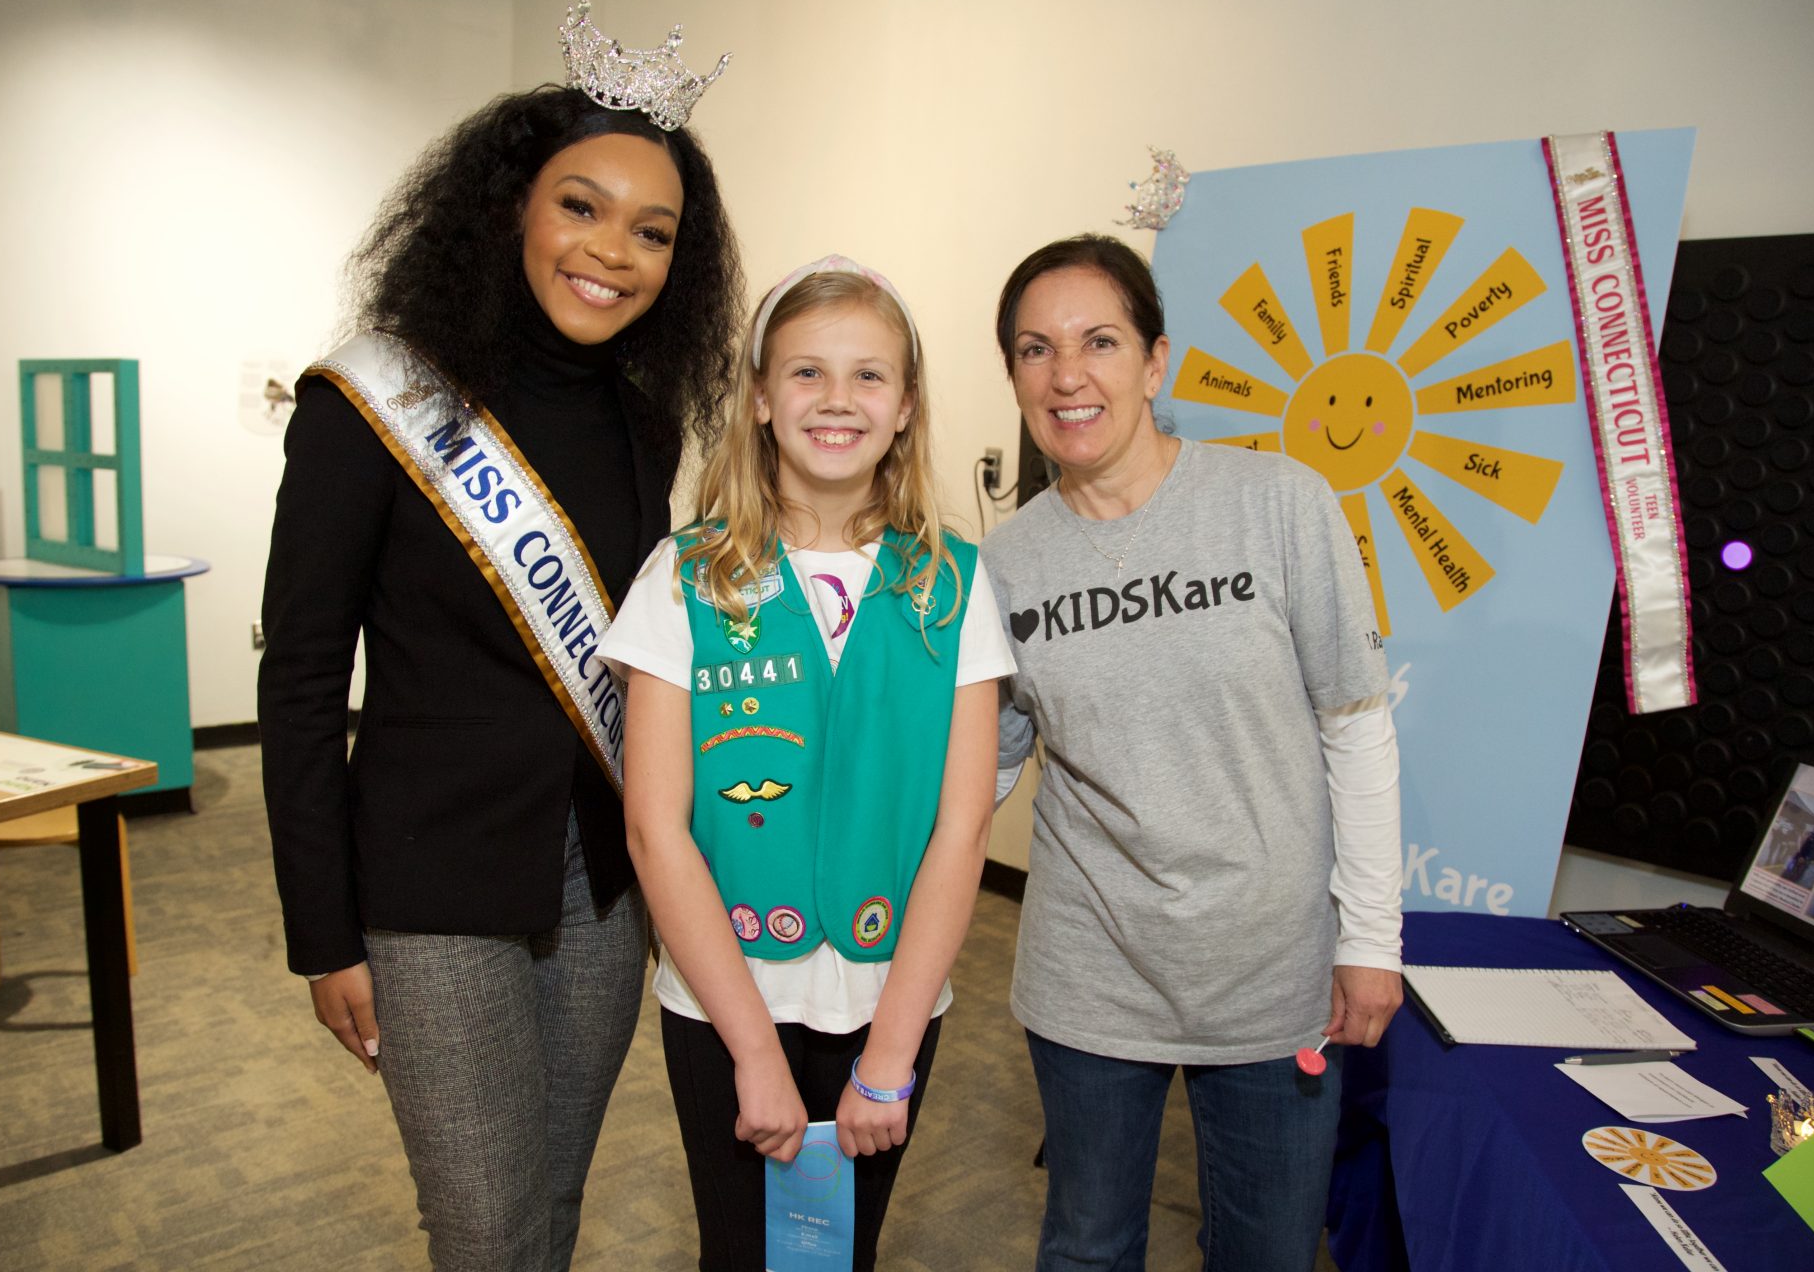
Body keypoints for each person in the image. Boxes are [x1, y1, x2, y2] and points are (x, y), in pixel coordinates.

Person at [256, 48, 743, 1270]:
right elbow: (302, 677)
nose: (610, 251)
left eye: (652, 230)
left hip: (598, 885)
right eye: (580, 206)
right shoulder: (371, 402)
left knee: (552, 1202)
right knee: (482, 1224)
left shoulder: (643, 419)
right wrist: (323, 932)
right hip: (427, 883)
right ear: (509, 207)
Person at [982, 234, 1404, 1272]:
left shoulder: (1280, 503)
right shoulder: (1001, 562)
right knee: (1087, 1242)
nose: (1068, 374)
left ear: (1156, 360)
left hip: (1272, 970)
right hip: (1092, 969)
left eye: (1101, 341)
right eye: (1036, 349)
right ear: (1014, 376)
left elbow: (1356, 722)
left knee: (1263, 1250)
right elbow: (986, 763)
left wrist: (1372, 941)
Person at [597, 255, 1014, 1271]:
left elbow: (962, 829)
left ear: (908, 405)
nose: (838, 399)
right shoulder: (684, 578)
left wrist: (890, 1055)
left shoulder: (952, 583)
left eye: (870, 375)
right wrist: (750, 1049)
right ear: (758, 399)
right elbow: (656, 825)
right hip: (723, 995)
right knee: (741, 1250)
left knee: (844, 1253)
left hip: (891, 997)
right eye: (807, 373)